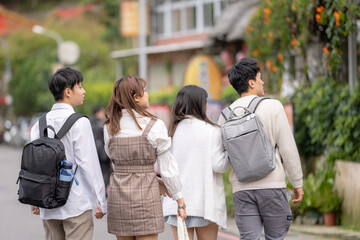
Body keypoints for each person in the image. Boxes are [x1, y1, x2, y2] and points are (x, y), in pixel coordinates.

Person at [217, 58, 304, 240]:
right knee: (275, 237)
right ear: (251, 83)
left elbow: (223, 156)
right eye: (260, 78)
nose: (262, 82)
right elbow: (288, 148)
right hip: (272, 186)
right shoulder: (273, 106)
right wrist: (297, 182)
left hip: (242, 190)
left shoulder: (225, 116)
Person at [103, 76, 186, 240]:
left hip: (119, 195)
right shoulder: (154, 125)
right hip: (146, 194)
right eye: (145, 91)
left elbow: (114, 159)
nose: (147, 94)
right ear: (136, 97)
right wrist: (179, 199)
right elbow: (166, 166)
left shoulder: (109, 127)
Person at [30, 67, 106, 240]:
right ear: (68, 92)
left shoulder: (39, 124)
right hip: (75, 203)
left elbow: (34, 165)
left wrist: (34, 198)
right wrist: (100, 199)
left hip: (47, 203)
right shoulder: (80, 123)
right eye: (80, 86)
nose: (83, 90)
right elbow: (88, 164)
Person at [162, 85, 230, 240]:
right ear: (200, 104)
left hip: (177, 203)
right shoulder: (212, 130)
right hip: (204, 203)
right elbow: (219, 165)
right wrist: (231, 155)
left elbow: (163, 167)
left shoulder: (171, 131)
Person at [90, 105, 113, 195]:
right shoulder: (101, 124)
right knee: (104, 173)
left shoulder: (89, 122)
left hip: (92, 153)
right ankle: (103, 191)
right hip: (102, 153)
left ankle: (97, 191)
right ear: (98, 112)